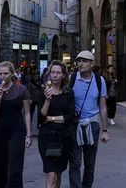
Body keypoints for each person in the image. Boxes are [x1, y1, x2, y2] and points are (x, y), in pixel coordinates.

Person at [68, 50, 109, 188]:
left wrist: (105, 129)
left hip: (92, 125)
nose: (80, 64)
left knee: (89, 164)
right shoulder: (72, 79)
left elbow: (103, 106)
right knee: (75, 163)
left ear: (92, 64)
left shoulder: (99, 80)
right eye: (79, 61)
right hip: (75, 125)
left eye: (84, 61)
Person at [0, 61, 32, 188]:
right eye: (0, 74)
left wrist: (29, 135)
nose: (3, 76)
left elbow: (27, 113)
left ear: (12, 74)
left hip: (16, 131)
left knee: (15, 168)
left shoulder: (21, 89)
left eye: (6, 73)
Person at [37, 60, 75, 188]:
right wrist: (48, 100)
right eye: (52, 72)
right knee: (51, 175)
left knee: (58, 174)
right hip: (47, 138)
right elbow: (41, 118)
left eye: (58, 72)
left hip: (64, 137)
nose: (55, 75)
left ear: (63, 75)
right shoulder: (43, 93)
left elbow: (70, 117)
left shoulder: (68, 93)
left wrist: (51, 118)